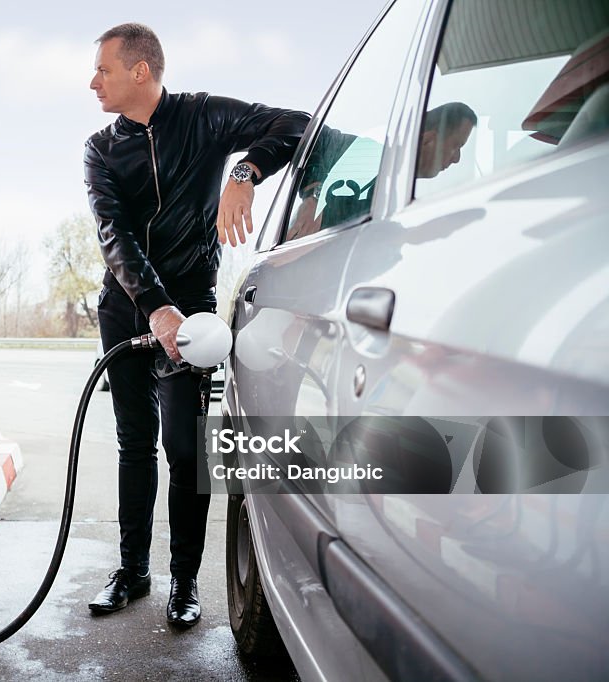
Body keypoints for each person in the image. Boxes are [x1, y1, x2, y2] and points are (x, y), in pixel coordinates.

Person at [83, 22, 309, 627]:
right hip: (127, 304)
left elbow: (295, 123)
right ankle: (133, 571)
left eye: (103, 69)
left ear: (140, 70)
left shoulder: (205, 117)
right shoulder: (100, 148)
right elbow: (114, 234)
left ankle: (186, 583)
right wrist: (153, 307)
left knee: (185, 450)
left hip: (194, 313)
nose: (92, 82)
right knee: (135, 443)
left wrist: (244, 174)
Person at [288, 101, 477, 240]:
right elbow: (316, 135)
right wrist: (314, 197)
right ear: (428, 139)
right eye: (456, 145)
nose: (457, 158)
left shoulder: (397, 194)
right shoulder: (370, 156)